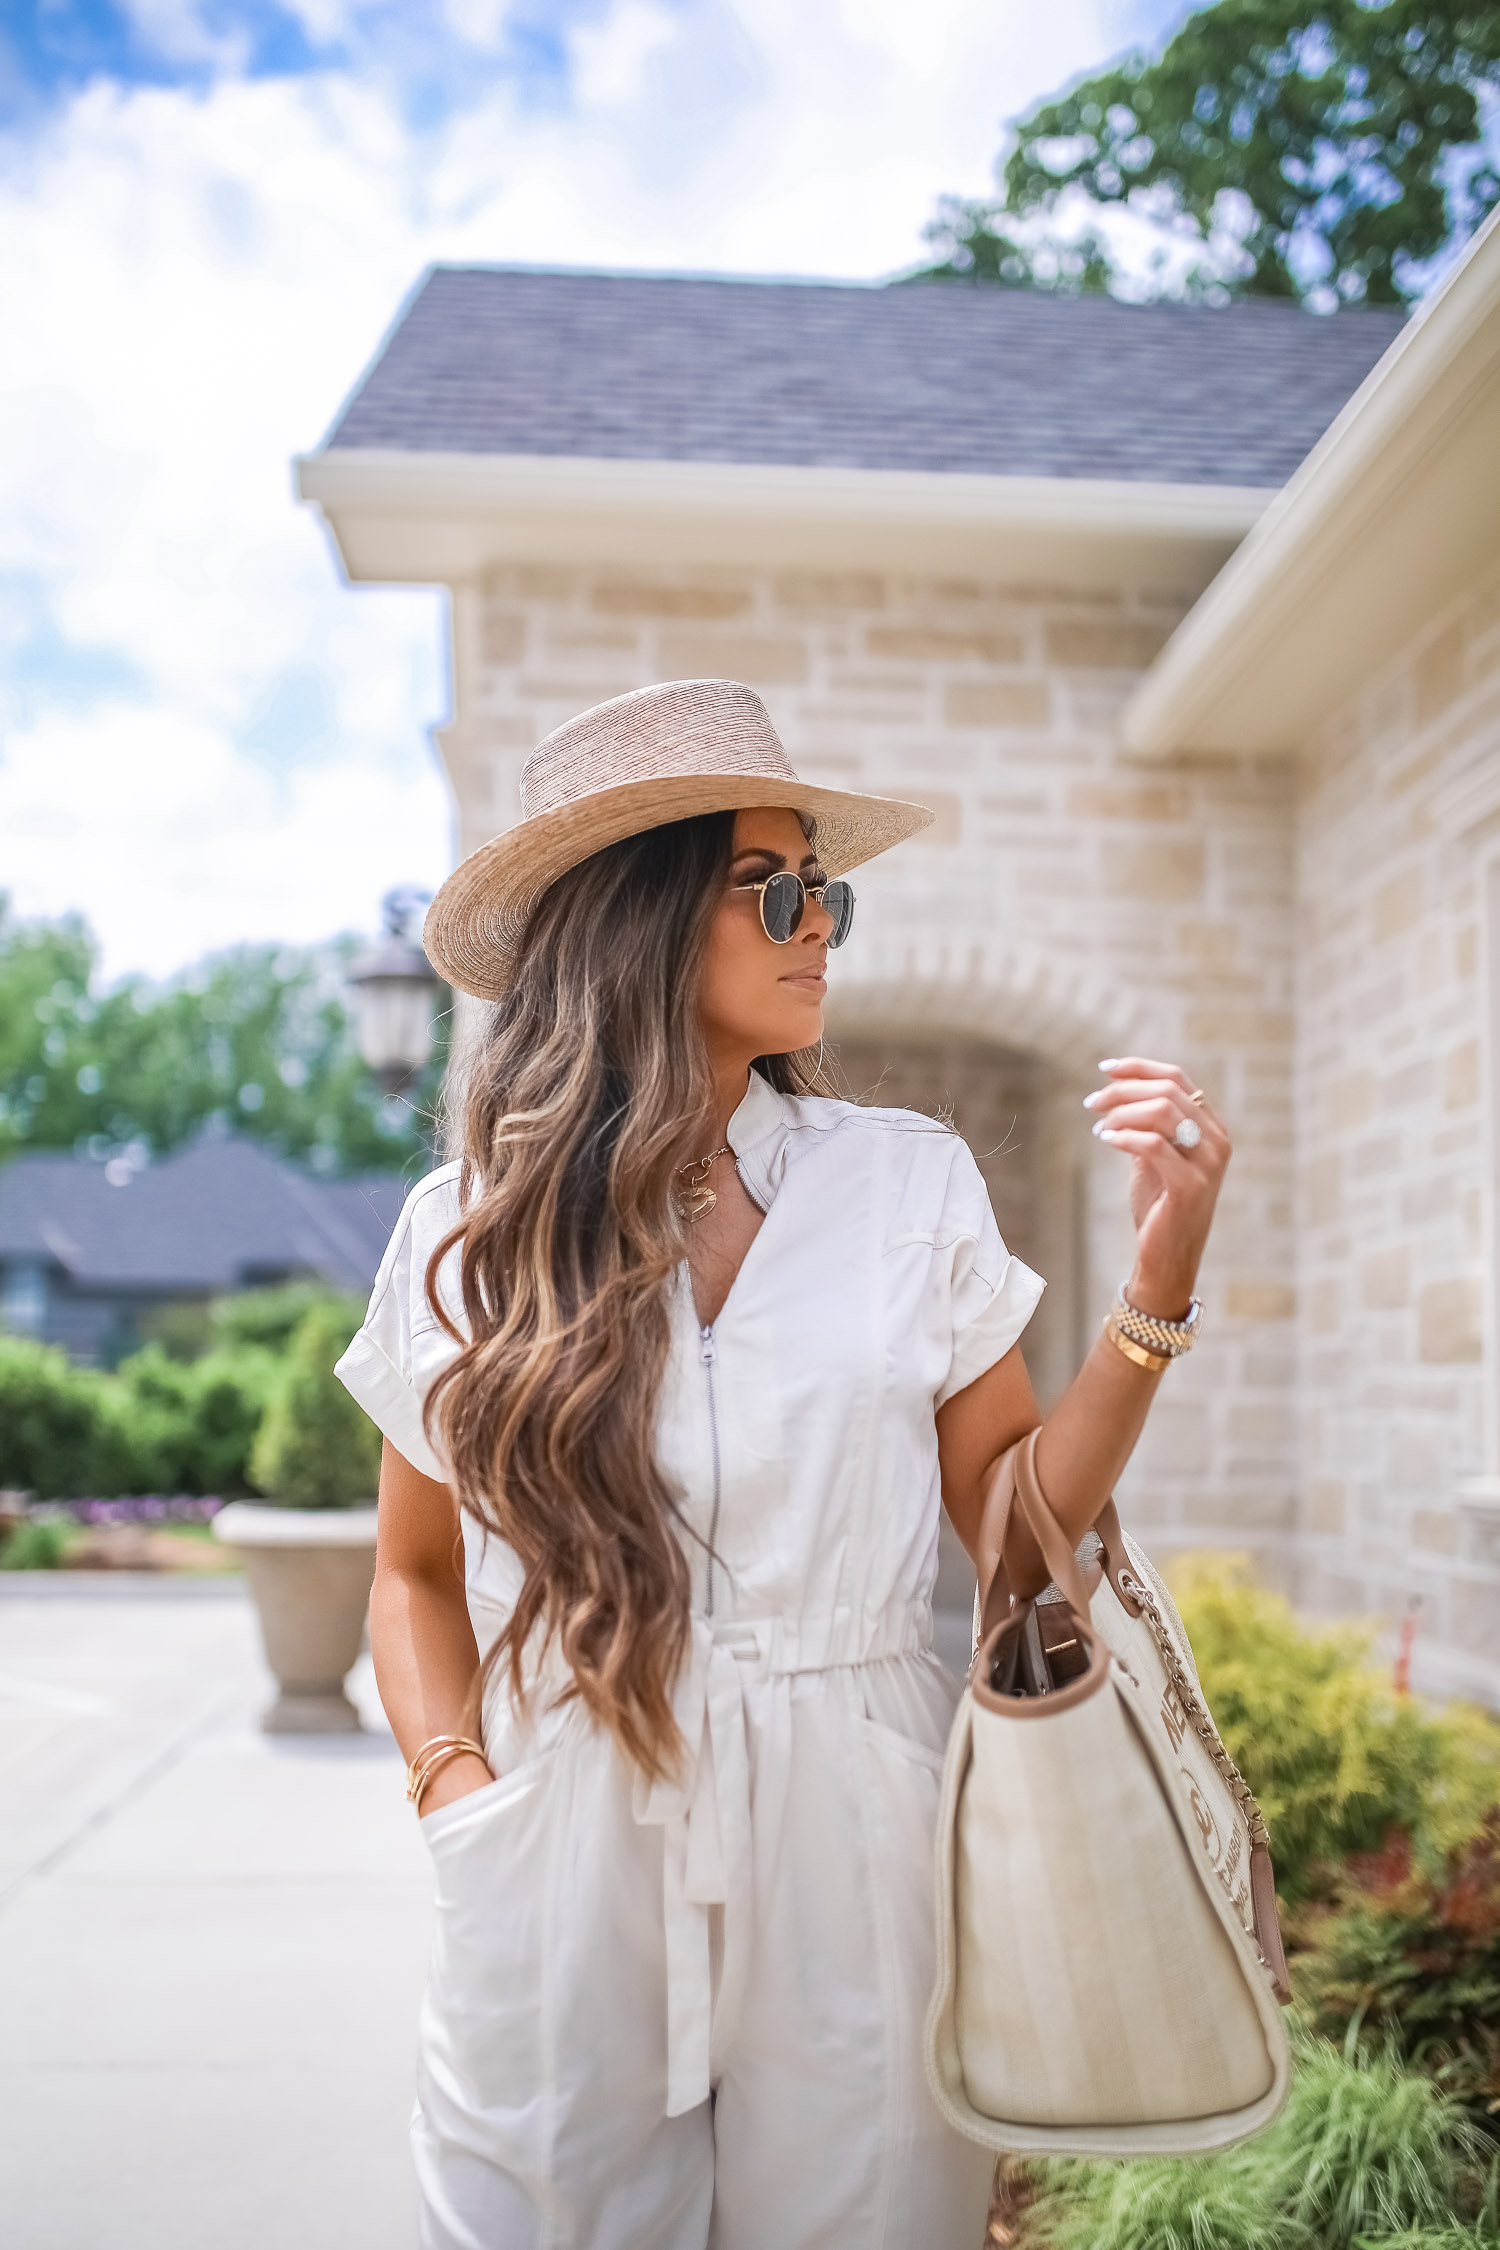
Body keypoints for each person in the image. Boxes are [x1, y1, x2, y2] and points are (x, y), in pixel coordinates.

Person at [336, 678, 1231, 2250]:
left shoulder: (909, 1188)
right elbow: (412, 1573)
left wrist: (1157, 1286)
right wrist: (462, 1800)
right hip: (561, 1825)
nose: (821, 919)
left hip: (852, 1818)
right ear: (645, 913)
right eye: (778, 885)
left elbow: (1019, 1541)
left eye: (828, 887)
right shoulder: (462, 1230)